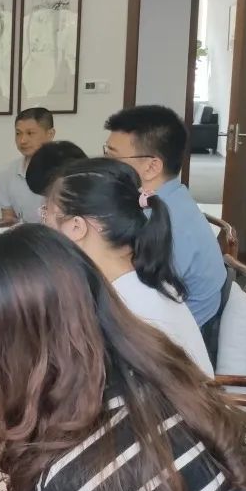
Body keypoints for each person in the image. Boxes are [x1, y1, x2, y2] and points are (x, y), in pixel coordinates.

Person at [0, 225, 246, 491]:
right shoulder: (158, 371)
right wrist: (2, 437)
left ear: (7, 352)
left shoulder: (67, 490)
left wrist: (7, 485)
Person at [41, 158, 212, 374]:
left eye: (46, 215)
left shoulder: (124, 307)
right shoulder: (137, 280)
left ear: (77, 227)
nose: (44, 227)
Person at [104, 105, 225, 328]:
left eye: (112, 157)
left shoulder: (167, 225)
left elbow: (137, 307)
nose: (105, 165)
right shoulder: (169, 197)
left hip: (179, 337)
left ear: (152, 167)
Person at [0, 107, 55, 225]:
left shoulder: (66, 172)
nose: (22, 140)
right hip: (23, 235)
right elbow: (9, 220)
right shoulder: (6, 173)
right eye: (18, 133)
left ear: (50, 134)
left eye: (30, 133)